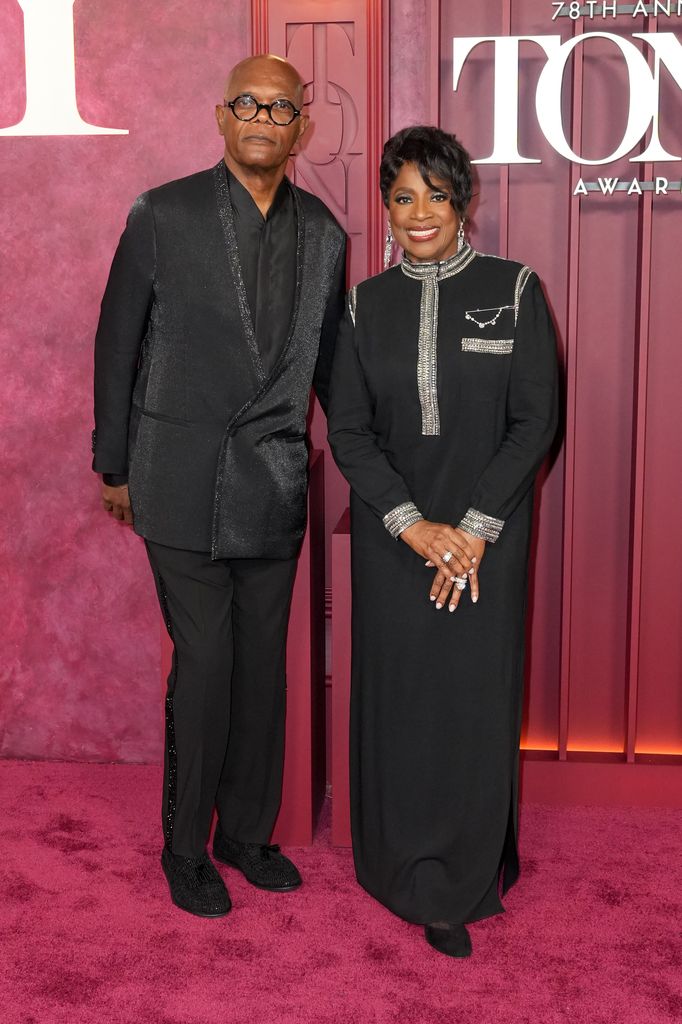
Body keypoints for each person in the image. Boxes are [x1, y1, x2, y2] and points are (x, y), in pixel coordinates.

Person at [92, 55, 346, 917]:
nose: (265, 117)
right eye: (249, 103)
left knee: (262, 669)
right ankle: (183, 848)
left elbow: (333, 374)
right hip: (177, 479)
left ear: (301, 126)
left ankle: (245, 834)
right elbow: (115, 343)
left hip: (273, 483)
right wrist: (113, 462)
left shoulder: (325, 233)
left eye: (282, 107)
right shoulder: (162, 212)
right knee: (204, 665)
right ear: (221, 117)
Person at [328, 125, 558, 957]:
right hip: (398, 544)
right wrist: (413, 525)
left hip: (485, 545)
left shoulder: (516, 288)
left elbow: (535, 422)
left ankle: (461, 875)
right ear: (385, 207)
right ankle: (395, 862)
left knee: (467, 701)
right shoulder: (363, 304)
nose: (419, 212)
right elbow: (349, 432)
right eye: (402, 196)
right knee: (403, 703)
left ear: (465, 202)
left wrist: (470, 531)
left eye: (435, 194)